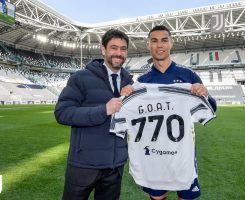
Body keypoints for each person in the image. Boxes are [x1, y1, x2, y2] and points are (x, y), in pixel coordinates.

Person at [137, 25, 217, 200]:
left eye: (164, 40)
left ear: (171, 44)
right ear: (148, 45)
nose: (160, 45)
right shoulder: (142, 81)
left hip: (183, 154)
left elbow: (211, 108)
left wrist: (206, 93)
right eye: (154, 41)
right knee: (157, 197)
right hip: (154, 155)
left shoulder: (188, 75)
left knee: (187, 197)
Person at [54, 29, 133, 200]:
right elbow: (62, 113)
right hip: (83, 164)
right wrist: (103, 110)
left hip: (115, 166)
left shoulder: (131, 82)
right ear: (103, 49)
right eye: (113, 48)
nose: (118, 53)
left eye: (123, 48)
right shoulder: (80, 78)